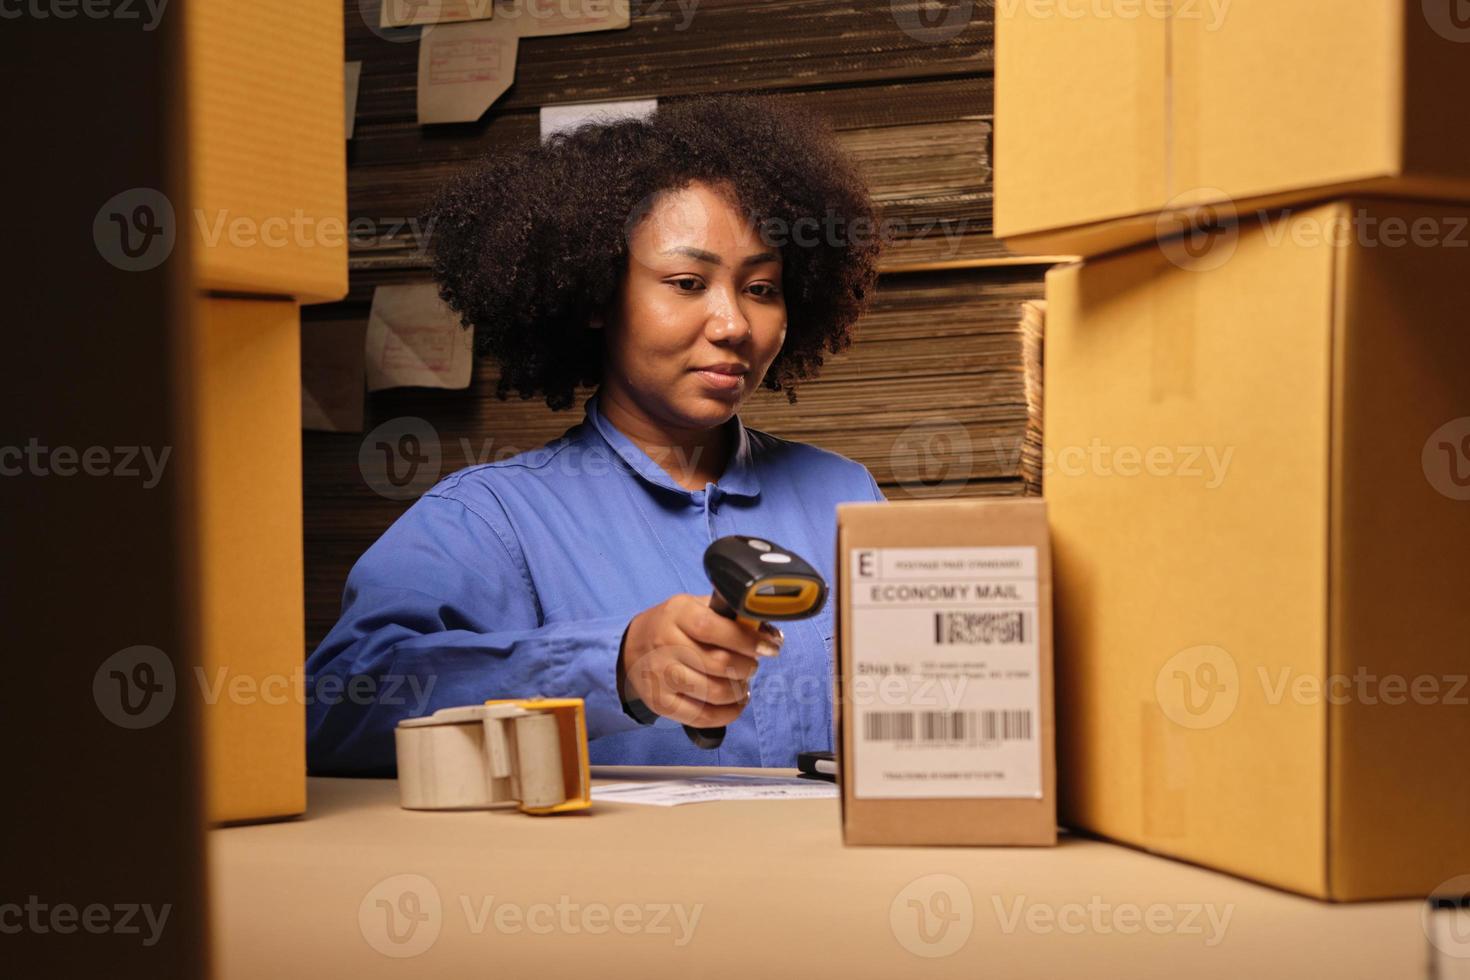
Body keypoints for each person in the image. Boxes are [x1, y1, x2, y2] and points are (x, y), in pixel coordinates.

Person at [307, 94, 888, 774]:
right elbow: (334, 709)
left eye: (761, 288)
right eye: (686, 281)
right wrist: (615, 663)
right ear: (593, 297)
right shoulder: (492, 519)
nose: (733, 323)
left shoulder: (844, 495)